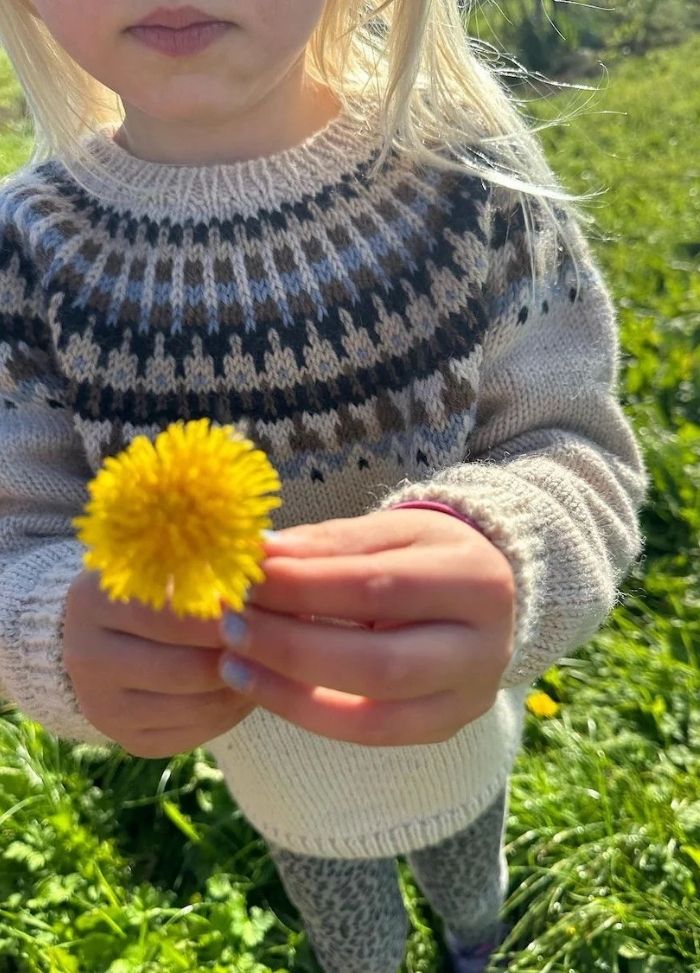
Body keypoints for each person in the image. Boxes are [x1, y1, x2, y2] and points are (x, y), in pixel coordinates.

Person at [0, 2, 646, 971]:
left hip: (462, 736)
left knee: (472, 884)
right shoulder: (32, 252)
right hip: (281, 778)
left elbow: (575, 445)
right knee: (352, 935)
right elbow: (18, 535)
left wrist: (512, 544)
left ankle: (476, 946)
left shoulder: (463, 175)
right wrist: (54, 627)